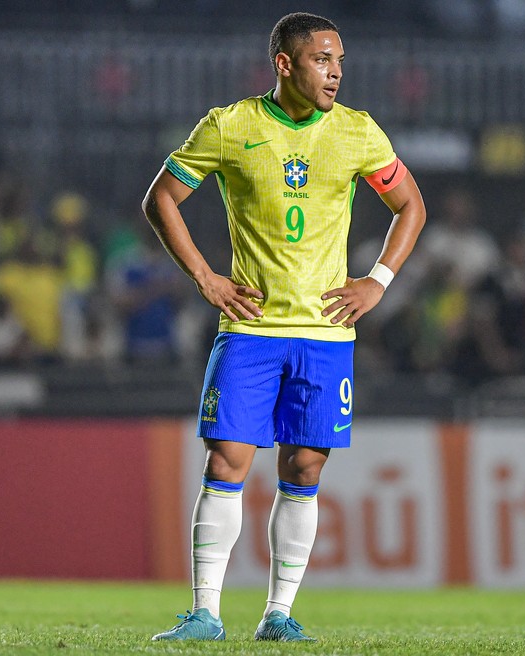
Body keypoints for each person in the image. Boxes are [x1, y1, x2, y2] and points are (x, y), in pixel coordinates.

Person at [143, 12, 425, 643]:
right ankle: (205, 614)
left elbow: (411, 205)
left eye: (341, 62)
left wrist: (376, 280)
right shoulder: (231, 125)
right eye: (324, 60)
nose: (336, 74)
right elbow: (160, 196)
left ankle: (278, 613)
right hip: (251, 328)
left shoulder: (356, 133)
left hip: (326, 333)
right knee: (229, 458)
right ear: (285, 63)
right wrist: (207, 279)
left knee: (303, 468)